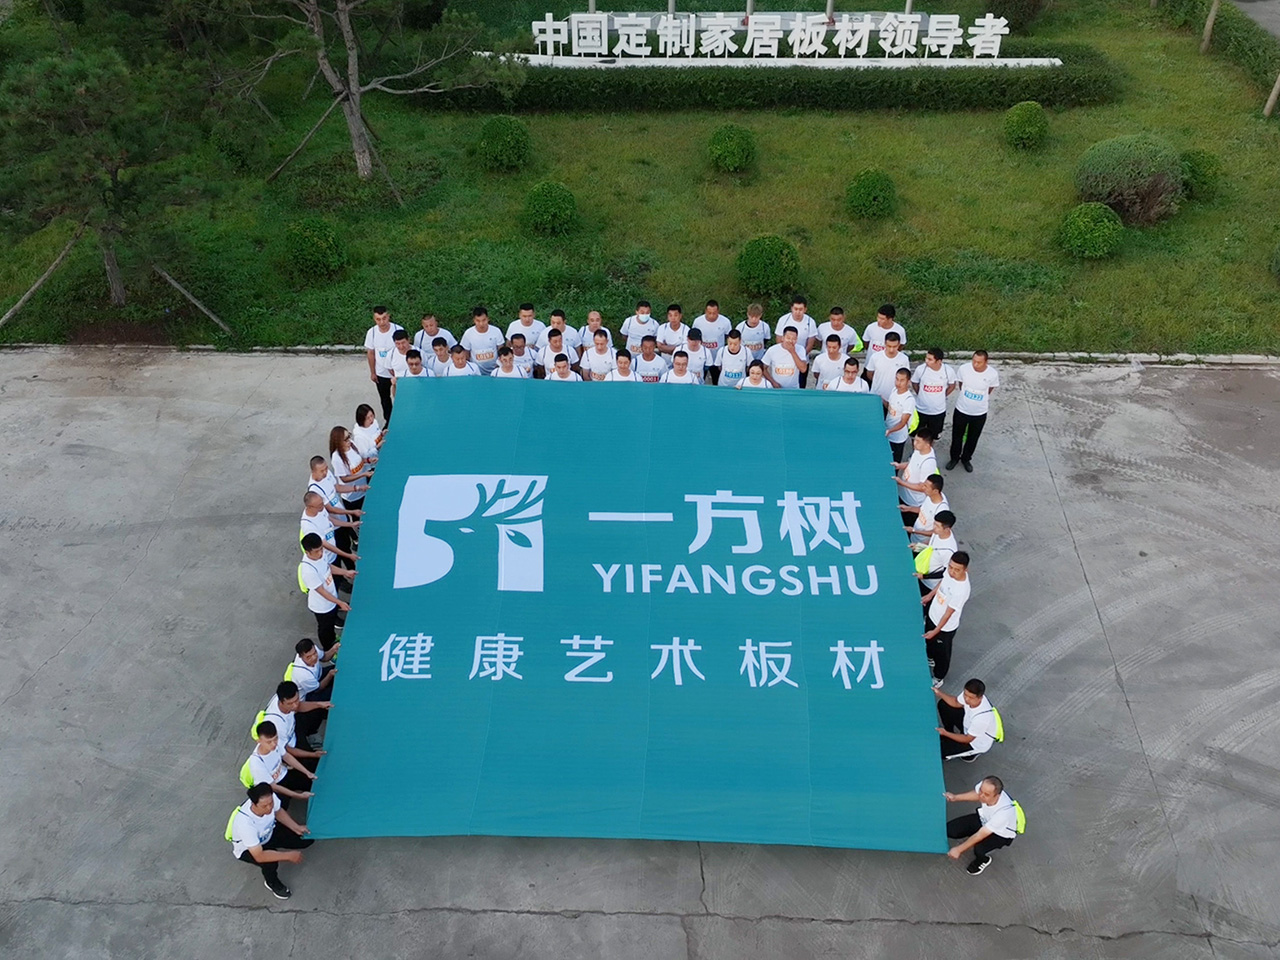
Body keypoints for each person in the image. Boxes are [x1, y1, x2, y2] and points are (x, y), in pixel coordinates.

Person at [227, 781, 314, 899]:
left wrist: (296, 827)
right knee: (270, 862)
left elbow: (278, 811)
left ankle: (276, 847)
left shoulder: (269, 798)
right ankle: (272, 882)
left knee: (305, 840)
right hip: (250, 849)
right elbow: (259, 856)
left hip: (269, 831)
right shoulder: (245, 825)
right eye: (264, 806)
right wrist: (288, 856)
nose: (269, 808)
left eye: (271, 803)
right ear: (253, 804)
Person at [944, 775, 1022, 875]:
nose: (981, 796)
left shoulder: (1003, 815)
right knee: (950, 830)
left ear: (997, 796)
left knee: (979, 849)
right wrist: (955, 798)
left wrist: (959, 849)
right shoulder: (986, 788)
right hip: (985, 819)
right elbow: (976, 794)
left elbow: (980, 835)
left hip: (1000, 834)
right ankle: (970, 836)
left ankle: (983, 859)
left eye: (986, 794)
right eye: (981, 791)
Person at [922, 552, 971, 686]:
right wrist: (930, 595)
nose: (952, 572)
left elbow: (948, 614)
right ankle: (930, 658)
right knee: (929, 642)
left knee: (942, 655)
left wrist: (936, 631)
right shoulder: (949, 574)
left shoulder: (961, 590)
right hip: (932, 616)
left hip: (944, 628)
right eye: (950, 567)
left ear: (965, 570)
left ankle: (938, 677)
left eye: (957, 570)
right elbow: (942, 582)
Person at [242, 719, 316, 808]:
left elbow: (286, 756)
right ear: (259, 741)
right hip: (274, 787)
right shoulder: (257, 764)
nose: (274, 744)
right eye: (269, 742)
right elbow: (274, 787)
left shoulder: (276, 744)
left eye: (275, 739)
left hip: (284, 774)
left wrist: (307, 772)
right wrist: (298, 796)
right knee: (279, 807)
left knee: (312, 782)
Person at [948, 350, 1000, 472]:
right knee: (957, 436)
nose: (975, 364)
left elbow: (990, 389)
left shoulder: (992, 374)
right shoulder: (964, 369)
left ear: (986, 362)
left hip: (979, 413)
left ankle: (966, 459)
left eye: (979, 362)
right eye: (974, 361)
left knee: (973, 438)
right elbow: (961, 384)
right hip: (961, 409)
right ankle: (954, 458)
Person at [306, 455, 363, 564]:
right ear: (313, 471)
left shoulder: (327, 474)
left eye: (326, 468)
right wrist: (351, 512)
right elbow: (330, 509)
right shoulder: (314, 490)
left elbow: (337, 487)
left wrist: (356, 488)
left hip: (342, 515)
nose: (325, 472)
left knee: (347, 542)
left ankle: (353, 543)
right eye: (322, 471)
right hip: (335, 525)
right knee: (344, 549)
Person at [299, 533, 351, 650]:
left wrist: (345, 572)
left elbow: (329, 567)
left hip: (331, 600)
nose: (321, 553)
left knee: (331, 624)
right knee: (325, 629)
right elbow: (322, 592)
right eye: (316, 551)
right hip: (322, 607)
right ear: (307, 552)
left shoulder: (320, 556)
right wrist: (339, 603)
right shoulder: (308, 571)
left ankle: (333, 639)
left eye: (321, 549)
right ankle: (329, 648)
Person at [934, 678, 1000, 762]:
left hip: (974, 742)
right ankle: (949, 734)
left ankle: (971, 753)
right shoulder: (969, 695)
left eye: (971, 698)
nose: (966, 699)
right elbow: (956, 702)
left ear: (980, 698)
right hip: (968, 724)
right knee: (944, 704)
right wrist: (939, 693)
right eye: (965, 695)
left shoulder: (982, 719)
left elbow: (967, 739)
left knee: (940, 751)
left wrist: (945, 733)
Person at [261, 680, 330, 759]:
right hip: (292, 744)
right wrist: (313, 754)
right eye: (290, 703)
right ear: (281, 702)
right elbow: (288, 750)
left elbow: (299, 707)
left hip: (293, 727)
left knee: (316, 708)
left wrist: (320, 705)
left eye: (296, 700)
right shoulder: (276, 724)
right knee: (312, 761)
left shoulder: (284, 699)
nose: (295, 705)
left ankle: (311, 734)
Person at [300, 491, 359, 577]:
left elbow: (330, 520)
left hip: (334, 547)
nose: (323, 506)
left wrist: (350, 524)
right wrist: (348, 555)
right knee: (337, 577)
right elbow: (325, 545)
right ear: (310, 507)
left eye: (322, 502)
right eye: (319, 505)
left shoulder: (319, 509)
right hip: (329, 558)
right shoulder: (309, 526)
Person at [363, 306, 403, 424]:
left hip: (398, 373)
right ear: (374, 319)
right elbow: (371, 353)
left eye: (384, 318)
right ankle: (389, 421)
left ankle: (402, 419)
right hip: (381, 373)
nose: (382, 322)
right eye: (378, 319)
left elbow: (404, 349)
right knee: (385, 399)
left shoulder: (398, 329)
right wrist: (373, 372)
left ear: (388, 316)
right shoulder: (372, 333)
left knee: (401, 397)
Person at [893, 427, 939, 528]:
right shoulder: (918, 450)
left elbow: (922, 487)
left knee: (906, 524)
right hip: (903, 494)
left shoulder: (928, 464)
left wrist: (901, 482)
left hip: (912, 501)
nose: (914, 443)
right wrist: (900, 466)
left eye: (918, 441)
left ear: (927, 445)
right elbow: (911, 463)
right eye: (915, 440)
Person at [329, 427, 371, 531]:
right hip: (352, 496)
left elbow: (359, 460)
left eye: (349, 436)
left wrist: (368, 460)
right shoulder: (337, 458)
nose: (349, 440)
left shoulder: (352, 445)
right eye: (346, 439)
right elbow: (344, 478)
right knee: (359, 519)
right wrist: (363, 475)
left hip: (363, 488)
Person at [912, 347, 959, 438]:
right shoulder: (920, 369)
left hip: (938, 411)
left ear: (939, 361)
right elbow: (915, 383)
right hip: (920, 409)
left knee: (933, 436)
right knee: (915, 434)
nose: (926, 361)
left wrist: (942, 395)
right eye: (926, 358)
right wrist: (920, 394)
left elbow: (952, 385)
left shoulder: (948, 371)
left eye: (930, 359)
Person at [913, 509, 958, 594]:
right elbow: (931, 547)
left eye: (937, 526)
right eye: (934, 523)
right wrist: (918, 546)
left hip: (929, 584)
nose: (934, 527)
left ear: (947, 529)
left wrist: (925, 576)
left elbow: (946, 572)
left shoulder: (949, 551)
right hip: (921, 571)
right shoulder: (937, 533)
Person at [287, 637, 339, 701]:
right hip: (310, 693)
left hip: (319, 675)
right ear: (300, 656)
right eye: (308, 657)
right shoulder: (303, 676)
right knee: (337, 690)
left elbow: (324, 657)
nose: (314, 658)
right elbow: (318, 688)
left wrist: (334, 649)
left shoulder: (313, 649)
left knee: (340, 669)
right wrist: (329, 675)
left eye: (315, 653)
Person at [692, 300, 731, 383]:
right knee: (700, 380)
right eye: (709, 313)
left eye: (714, 313)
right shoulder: (698, 322)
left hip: (717, 358)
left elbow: (728, 338)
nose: (712, 315)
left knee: (716, 380)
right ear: (705, 311)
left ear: (718, 311)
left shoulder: (725, 322)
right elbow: (694, 336)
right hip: (702, 357)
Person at [865, 331, 911, 401]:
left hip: (895, 398)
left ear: (899, 344)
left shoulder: (904, 359)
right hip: (877, 397)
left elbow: (905, 377)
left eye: (894, 346)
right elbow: (869, 374)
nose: (891, 350)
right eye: (889, 346)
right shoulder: (875, 357)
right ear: (885, 343)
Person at [460, 306, 506, 375]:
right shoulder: (468, 333)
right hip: (476, 372)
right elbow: (466, 353)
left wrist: (499, 365)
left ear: (488, 319)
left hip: (495, 370)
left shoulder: (496, 331)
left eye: (484, 320)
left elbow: (501, 350)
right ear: (474, 320)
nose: (481, 324)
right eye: (478, 321)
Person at [885, 368, 917, 464]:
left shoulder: (909, 400)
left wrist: (890, 431)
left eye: (902, 380)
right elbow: (890, 407)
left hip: (897, 437)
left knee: (895, 461)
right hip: (887, 431)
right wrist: (880, 399)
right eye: (897, 379)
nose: (898, 383)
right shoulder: (894, 390)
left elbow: (903, 422)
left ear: (908, 381)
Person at [907, 474, 949, 544]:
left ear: (935, 491)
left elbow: (936, 532)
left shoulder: (941, 510)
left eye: (926, 486)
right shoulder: (930, 496)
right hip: (914, 535)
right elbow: (923, 510)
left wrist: (915, 531)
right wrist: (909, 509)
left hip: (921, 543)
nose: (923, 487)